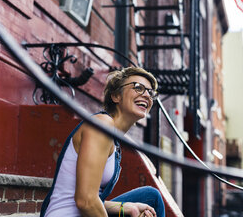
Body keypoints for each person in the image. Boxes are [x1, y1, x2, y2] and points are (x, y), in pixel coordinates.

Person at [40, 67, 166, 217]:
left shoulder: (114, 138)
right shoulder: (102, 124)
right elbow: (85, 201)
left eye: (151, 92)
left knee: (150, 197)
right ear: (115, 96)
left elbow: (90, 198)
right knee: (151, 198)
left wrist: (125, 207)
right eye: (138, 88)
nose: (146, 95)